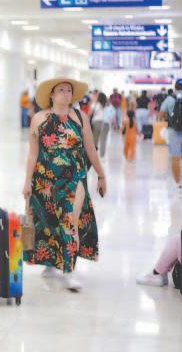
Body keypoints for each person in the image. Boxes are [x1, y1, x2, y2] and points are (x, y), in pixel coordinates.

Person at [24, 77, 106, 291]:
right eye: (61, 89)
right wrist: (27, 182)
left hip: (74, 179)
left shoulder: (80, 117)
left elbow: (91, 149)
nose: (66, 93)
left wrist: (101, 175)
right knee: (49, 222)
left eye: (69, 90)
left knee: (70, 221)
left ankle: (69, 270)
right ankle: (51, 264)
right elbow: (33, 154)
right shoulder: (39, 119)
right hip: (44, 181)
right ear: (51, 94)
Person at [90, 93, 113, 157]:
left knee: (95, 139)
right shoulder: (108, 105)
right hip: (105, 123)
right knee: (103, 140)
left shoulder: (95, 104)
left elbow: (90, 113)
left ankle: (93, 154)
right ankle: (102, 155)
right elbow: (112, 114)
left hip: (96, 122)